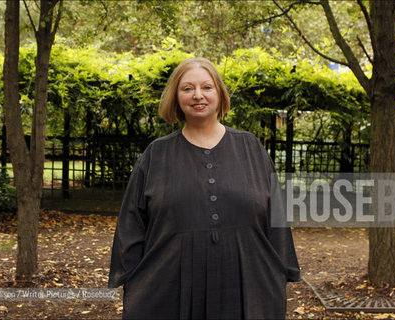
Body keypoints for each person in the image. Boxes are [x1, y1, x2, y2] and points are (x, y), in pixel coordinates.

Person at [108, 57, 300, 319]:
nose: (198, 95)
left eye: (207, 87)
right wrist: (131, 277)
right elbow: (131, 226)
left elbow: (276, 221)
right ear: (176, 97)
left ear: (219, 94)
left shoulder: (251, 148)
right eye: (187, 88)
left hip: (246, 287)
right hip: (169, 289)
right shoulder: (156, 155)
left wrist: (281, 272)